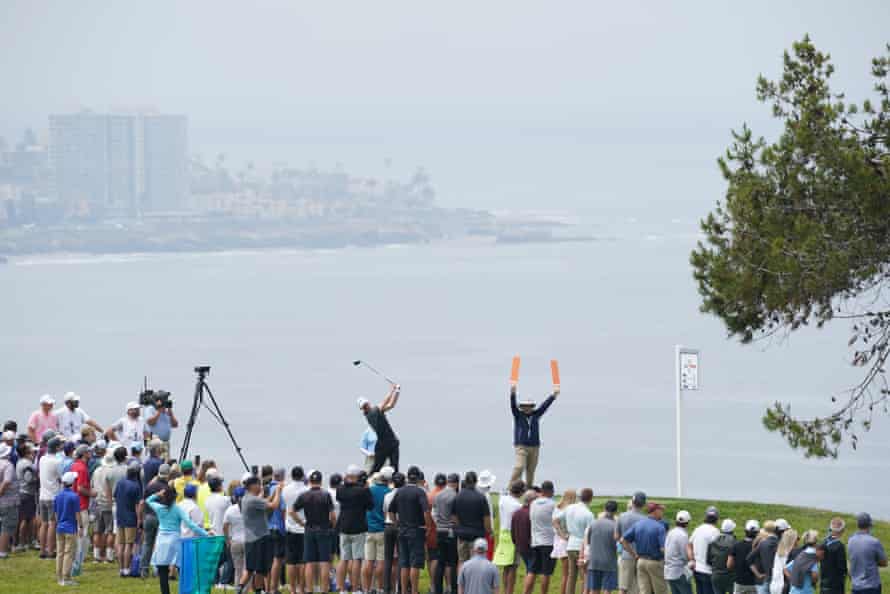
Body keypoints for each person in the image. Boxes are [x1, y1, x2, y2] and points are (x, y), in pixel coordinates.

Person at [146, 485, 209, 594]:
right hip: (175, 539)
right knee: (181, 567)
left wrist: (158, 494)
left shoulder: (159, 508)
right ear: (175, 497)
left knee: (163, 571)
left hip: (162, 540)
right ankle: (185, 591)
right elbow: (191, 524)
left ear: (163, 496)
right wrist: (206, 534)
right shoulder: (177, 509)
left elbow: (148, 500)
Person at [389, 465, 433, 594]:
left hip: (402, 530)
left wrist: (397, 524)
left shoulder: (400, 491)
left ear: (408, 477)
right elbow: (426, 511)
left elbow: (391, 511)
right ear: (418, 477)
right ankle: (414, 591)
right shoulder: (420, 492)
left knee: (404, 563)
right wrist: (428, 526)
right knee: (415, 564)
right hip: (416, 531)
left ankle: (403, 591)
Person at [237, 475, 283, 594]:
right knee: (261, 569)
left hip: (251, 539)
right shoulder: (253, 500)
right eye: (259, 484)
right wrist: (278, 491)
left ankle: (239, 589)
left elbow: (265, 502)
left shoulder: (246, 499)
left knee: (250, 569)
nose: (260, 487)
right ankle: (256, 591)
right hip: (259, 538)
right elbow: (274, 505)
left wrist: (270, 494)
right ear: (253, 486)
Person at [508, 381, 558, 488]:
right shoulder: (518, 415)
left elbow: (545, 406)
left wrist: (553, 396)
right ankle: (510, 487)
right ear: (522, 407)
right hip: (521, 447)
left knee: (530, 471)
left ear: (532, 407)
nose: (527, 408)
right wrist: (512, 394)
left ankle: (528, 490)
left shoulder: (536, 415)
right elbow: (512, 406)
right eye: (525, 406)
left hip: (535, 447)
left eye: (529, 406)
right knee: (519, 467)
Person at [294, 470, 336, 594]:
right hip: (323, 529)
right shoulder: (326, 495)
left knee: (309, 562)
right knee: (324, 562)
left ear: (310, 481)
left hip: (309, 529)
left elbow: (292, 511)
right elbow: (333, 515)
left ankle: (309, 590)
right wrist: (332, 526)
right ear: (321, 481)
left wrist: (301, 522)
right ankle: (324, 590)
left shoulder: (304, 495)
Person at [337, 464, 373, 594]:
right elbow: (370, 506)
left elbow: (341, 494)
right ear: (358, 477)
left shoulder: (340, 490)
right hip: (358, 527)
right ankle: (355, 588)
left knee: (344, 559)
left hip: (344, 526)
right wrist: (367, 488)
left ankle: (341, 589)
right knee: (357, 559)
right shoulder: (362, 491)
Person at [620, 502, 668, 594]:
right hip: (655, 562)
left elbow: (623, 540)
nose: (662, 512)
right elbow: (663, 549)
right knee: (660, 591)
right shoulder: (660, 527)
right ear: (655, 511)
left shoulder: (638, 524)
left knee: (644, 591)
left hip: (641, 562)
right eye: (661, 510)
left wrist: (634, 555)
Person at [454, 471, 493, 572]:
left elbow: (454, 518)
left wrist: (460, 528)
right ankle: (473, 587)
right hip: (477, 535)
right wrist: (489, 532)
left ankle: (461, 586)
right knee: (475, 562)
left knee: (462, 561)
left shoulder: (457, 497)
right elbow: (487, 520)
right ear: (476, 482)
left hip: (462, 535)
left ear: (465, 481)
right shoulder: (481, 498)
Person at [359, 384, 402, 473]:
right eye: (364, 406)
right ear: (362, 409)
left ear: (368, 403)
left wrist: (397, 392)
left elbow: (391, 405)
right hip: (383, 445)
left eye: (366, 404)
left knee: (395, 468)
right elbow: (385, 402)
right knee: (376, 468)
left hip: (392, 442)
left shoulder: (377, 411)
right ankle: (366, 483)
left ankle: (396, 484)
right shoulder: (372, 413)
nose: (366, 406)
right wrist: (392, 390)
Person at [524, 480, 557, 594]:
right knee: (546, 572)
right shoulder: (552, 504)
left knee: (532, 570)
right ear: (550, 491)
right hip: (548, 542)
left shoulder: (533, 504)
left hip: (535, 541)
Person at [582, 500, 621, 594]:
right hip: (609, 562)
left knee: (594, 589)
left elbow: (588, 542)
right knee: (607, 590)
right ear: (615, 511)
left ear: (604, 509)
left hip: (594, 561)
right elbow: (619, 545)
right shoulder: (615, 526)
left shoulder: (593, 523)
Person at [365, 469, 392, 594]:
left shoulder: (369, 490)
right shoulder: (389, 492)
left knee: (369, 561)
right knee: (381, 561)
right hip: (382, 529)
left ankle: (368, 588)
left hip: (369, 529)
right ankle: (379, 587)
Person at [141, 463, 171, 578]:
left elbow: (143, 502)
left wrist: (142, 517)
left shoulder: (150, 486)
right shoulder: (167, 488)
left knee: (147, 543)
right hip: (161, 518)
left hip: (148, 516)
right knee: (159, 545)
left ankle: (144, 569)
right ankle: (157, 569)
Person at [114, 462, 143, 576]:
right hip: (131, 518)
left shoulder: (120, 482)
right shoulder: (136, 486)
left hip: (120, 516)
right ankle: (126, 569)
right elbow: (138, 505)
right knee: (129, 544)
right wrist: (139, 520)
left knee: (121, 544)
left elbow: (115, 496)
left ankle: (121, 569)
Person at [433, 473, 460, 594]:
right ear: (456, 483)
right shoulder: (455, 496)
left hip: (439, 530)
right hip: (451, 530)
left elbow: (434, 514)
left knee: (440, 562)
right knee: (452, 562)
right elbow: (456, 517)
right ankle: (453, 589)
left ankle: (438, 589)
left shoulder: (438, 495)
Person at [283, 466, 309, 594]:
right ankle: (301, 588)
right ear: (302, 475)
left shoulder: (285, 489)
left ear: (291, 476)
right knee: (302, 561)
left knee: (291, 561)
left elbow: (285, 507)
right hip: (304, 527)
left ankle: (292, 589)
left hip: (290, 527)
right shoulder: (306, 489)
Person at [847, 513, 887, 594]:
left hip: (856, 586)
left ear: (858, 525)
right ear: (869, 525)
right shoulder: (874, 542)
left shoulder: (850, 541)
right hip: (871, 586)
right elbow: (884, 563)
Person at [564, 488, 594, 594]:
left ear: (580, 497)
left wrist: (564, 534)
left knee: (571, 576)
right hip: (581, 547)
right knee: (584, 578)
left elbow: (556, 520)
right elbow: (590, 534)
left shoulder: (569, 508)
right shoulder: (588, 514)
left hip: (570, 545)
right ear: (591, 499)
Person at [617, 492, 649, 594]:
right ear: (643, 504)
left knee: (623, 587)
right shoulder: (645, 519)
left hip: (626, 555)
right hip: (641, 556)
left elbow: (616, 536)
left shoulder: (622, 516)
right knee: (638, 588)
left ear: (633, 501)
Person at [38, 436, 63, 559]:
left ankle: (42, 550)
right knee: (53, 524)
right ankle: (50, 551)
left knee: (44, 524)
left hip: (42, 495)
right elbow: (62, 477)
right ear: (57, 447)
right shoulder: (57, 461)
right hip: (53, 496)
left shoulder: (42, 458)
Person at [54, 472, 81, 586]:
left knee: (60, 553)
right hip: (70, 528)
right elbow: (77, 514)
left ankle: (59, 577)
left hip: (60, 527)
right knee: (68, 553)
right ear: (72, 483)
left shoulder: (58, 496)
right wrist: (81, 526)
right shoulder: (74, 496)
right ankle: (66, 578)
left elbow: (55, 513)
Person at [70, 444, 94, 565]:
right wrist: (91, 493)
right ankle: (78, 560)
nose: (91, 454)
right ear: (84, 454)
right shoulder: (82, 468)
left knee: (76, 533)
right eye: (89, 452)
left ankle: (75, 557)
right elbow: (80, 488)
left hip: (74, 504)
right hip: (81, 505)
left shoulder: (74, 465)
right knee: (82, 533)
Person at [689, 507, 721, 594]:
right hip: (708, 571)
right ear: (717, 519)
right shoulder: (715, 532)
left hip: (697, 569)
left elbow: (689, 545)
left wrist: (692, 559)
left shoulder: (697, 529)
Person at [15, 442, 38, 554]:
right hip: (27, 493)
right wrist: (37, 479)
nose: (33, 452)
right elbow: (29, 479)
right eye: (31, 451)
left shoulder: (19, 462)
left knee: (23, 518)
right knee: (27, 519)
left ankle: (21, 542)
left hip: (21, 492)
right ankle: (24, 543)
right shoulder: (28, 464)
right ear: (26, 453)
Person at [383, 470, 404, 594]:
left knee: (388, 559)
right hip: (399, 525)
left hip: (388, 526)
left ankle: (386, 589)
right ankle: (400, 588)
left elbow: (385, 512)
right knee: (402, 558)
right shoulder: (403, 494)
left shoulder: (387, 495)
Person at [663, 510, 692, 594]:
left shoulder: (670, 532)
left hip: (669, 571)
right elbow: (685, 555)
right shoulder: (683, 535)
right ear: (687, 523)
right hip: (679, 572)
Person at [551, 489, 575, 594]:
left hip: (558, 542)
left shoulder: (557, 507)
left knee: (565, 574)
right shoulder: (568, 509)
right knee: (568, 574)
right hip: (566, 542)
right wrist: (564, 535)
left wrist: (560, 534)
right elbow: (555, 522)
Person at [727, 521, 759, 594]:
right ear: (757, 532)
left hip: (739, 581)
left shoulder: (736, 545)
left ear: (745, 531)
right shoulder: (759, 546)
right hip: (755, 582)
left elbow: (729, 565)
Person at [748, 521, 779, 594]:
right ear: (775, 530)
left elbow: (749, 559)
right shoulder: (780, 543)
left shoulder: (763, 543)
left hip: (765, 579)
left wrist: (758, 574)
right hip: (778, 581)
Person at [143, 394, 179, 460]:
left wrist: (170, 413)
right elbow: (150, 422)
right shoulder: (150, 409)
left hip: (165, 443)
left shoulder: (166, 411)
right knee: (156, 463)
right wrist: (159, 411)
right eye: (165, 399)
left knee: (165, 463)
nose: (166, 401)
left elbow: (175, 425)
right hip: (154, 443)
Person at [225, 487, 247, 589]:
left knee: (238, 569)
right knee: (247, 569)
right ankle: (245, 589)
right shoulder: (249, 508)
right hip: (248, 541)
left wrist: (227, 540)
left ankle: (238, 589)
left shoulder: (230, 509)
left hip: (235, 541)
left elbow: (225, 526)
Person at [512, 490, 537, 578]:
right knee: (531, 571)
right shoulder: (531, 513)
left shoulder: (516, 513)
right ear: (531, 501)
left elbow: (513, 532)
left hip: (520, 547)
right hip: (530, 547)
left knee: (529, 569)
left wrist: (516, 543)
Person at [0, 442, 19, 560]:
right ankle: (2, 551)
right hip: (8, 500)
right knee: (7, 526)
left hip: (3, 500)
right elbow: (7, 481)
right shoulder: (8, 465)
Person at [709, 520, 737, 594]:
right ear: (732, 530)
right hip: (730, 577)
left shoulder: (714, 541)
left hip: (716, 575)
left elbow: (708, 559)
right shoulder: (734, 542)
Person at [820, 518, 847, 594]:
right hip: (835, 586)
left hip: (824, 583)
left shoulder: (823, 542)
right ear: (842, 531)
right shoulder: (839, 546)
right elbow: (842, 568)